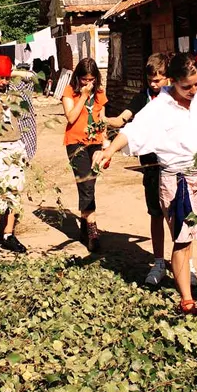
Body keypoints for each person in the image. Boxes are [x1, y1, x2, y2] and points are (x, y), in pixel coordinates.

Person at [95, 53, 197, 314]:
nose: (193, 90)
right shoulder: (159, 107)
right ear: (173, 81)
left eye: (196, 84)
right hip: (177, 181)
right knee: (183, 241)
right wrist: (109, 150)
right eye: (187, 86)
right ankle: (187, 300)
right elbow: (131, 131)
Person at [112, 53, 171, 283]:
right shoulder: (142, 99)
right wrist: (101, 120)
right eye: (150, 80)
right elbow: (122, 119)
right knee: (156, 214)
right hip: (151, 166)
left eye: (158, 80)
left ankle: (187, 263)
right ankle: (159, 262)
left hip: (174, 165)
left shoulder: (176, 99)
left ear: (168, 77)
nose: (154, 84)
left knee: (178, 216)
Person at [0, 54, 37, 253]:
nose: (4, 81)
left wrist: (10, 72)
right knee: (2, 190)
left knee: (15, 190)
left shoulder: (15, 90)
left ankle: (8, 234)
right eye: (0, 77)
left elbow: (31, 76)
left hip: (17, 144)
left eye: (6, 77)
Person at [61, 57, 123, 252]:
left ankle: (84, 226)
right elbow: (71, 117)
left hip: (94, 143)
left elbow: (101, 119)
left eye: (91, 80)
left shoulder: (100, 93)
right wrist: (83, 96)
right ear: (77, 78)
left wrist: (106, 144)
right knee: (86, 185)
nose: (88, 83)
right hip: (76, 143)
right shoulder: (69, 91)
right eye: (84, 80)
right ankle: (93, 231)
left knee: (89, 185)